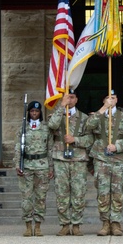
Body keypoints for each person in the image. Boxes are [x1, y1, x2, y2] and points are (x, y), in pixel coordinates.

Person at [84, 93, 123, 236]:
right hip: (101, 159)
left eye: (113, 97)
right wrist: (103, 108)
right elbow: (88, 126)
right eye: (108, 97)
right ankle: (105, 223)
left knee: (117, 193)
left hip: (118, 159)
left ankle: (116, 223)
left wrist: (118, 146)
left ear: (117, 100)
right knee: (103, 193)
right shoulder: (98, 115)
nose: (110, 100)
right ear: (103, 99)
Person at [47, 90, 92, 235]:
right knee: (62, 193)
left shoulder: (84, 118)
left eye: (72, 97)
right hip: (60, 159)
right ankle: (65, 224)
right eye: (67, 97)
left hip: (78, 159)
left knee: (78, 193)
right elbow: (52, 126)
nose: (69, 100)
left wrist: (75, 140)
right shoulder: (57, 115)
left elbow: (90, 140)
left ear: (77, 99)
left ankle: (77, 224)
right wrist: (61, 106)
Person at [17, 100, 52, 237]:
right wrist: (17, 164)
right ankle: (27, 225)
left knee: (41, 197)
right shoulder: (23, 128)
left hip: (42, 165)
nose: (34, 114)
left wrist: (51, 167)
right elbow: (17, 147)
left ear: (40, 113)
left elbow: (50, 148)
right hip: (27, 164)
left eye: (36, 111)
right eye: (32, 111)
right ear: (29, 113)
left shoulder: (45, 128)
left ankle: (37, 225)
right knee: (26, 197)